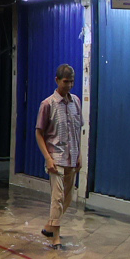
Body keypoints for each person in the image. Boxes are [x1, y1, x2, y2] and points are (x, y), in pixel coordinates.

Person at [35, 63, 84, 242]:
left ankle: (49, 227)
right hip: (56, 158)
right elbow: (39, 132)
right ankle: (56, 238)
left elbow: (78, 130)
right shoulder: (47, 104)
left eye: (72, 82)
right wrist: (48, 158)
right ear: (57, 80)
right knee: (57, 198)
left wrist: (79, 154)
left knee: (67, 198)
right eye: (66, 82)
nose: (69, 86)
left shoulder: (76, 102)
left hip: (72, 158)